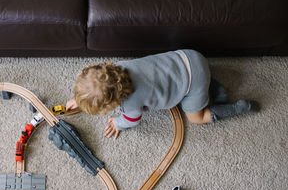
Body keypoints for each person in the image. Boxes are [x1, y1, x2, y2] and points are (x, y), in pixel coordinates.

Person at [65, 50, 260, 139]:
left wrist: (117, 123)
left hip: (192, 84)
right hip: (191, 57)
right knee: (192, 77)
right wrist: (80, 99)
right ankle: (213, 87)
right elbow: (97, 86)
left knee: (197, 118)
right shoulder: (117, 67)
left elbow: (132, 120)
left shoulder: (130, 104)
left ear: (114, 103)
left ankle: (235, 108)